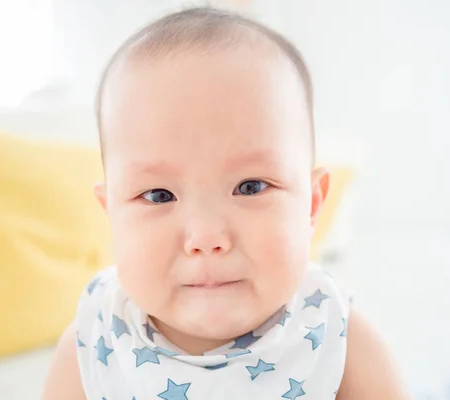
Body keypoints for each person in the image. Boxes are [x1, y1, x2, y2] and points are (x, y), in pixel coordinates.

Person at [42, 7, 410, 400]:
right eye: (158, 195)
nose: (206, 237)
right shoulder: (97, 339)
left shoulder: (338, 339)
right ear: (112, 214)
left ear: (312, 205)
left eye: (251, 187)